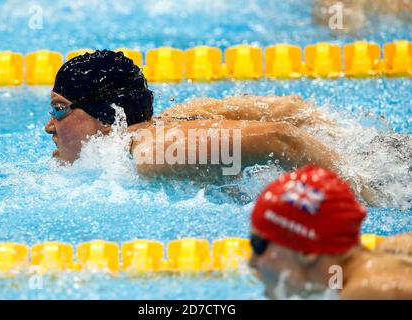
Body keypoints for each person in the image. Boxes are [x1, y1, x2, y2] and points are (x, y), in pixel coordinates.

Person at [45, 50, 373, 200]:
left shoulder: (152, 152)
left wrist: (367, 192)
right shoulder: (171, 120)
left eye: (59, 111)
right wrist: (348, 141)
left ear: (109, 117)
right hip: (374, 153)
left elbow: (282, 139)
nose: (49, 126)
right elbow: (290, 109)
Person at [249, 164, 412, 299]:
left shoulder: (366, 292)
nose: (251, 262)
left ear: (307, 251)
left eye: (258, 245)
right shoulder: (394, 249)